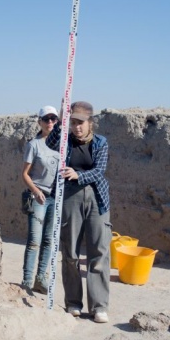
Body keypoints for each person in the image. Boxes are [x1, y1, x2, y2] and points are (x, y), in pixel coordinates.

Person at [46, 101, 112, 323]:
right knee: (71, 253)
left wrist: (78, 175)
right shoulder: (65, 141)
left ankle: (99, 306)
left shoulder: (101, 142)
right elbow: (51, 142)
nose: (77, 127)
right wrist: (61, 121)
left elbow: (99, 170)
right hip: (69, 199)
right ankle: (73, 303)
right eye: (73, 122)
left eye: (80, 123)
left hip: (96, 198)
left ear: (90, 122)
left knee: (99, 252)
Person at [20, 105, 61, 294]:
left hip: (55, 197)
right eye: (47, 119)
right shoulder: (34, 144)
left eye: (54, 118)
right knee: (34, 240)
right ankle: (27, 281)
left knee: (49, 241)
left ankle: (40, 279)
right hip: (38, 197)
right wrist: (35, 191)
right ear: (40, 122)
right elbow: (25, 174)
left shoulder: (61, 144)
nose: (50, 122)